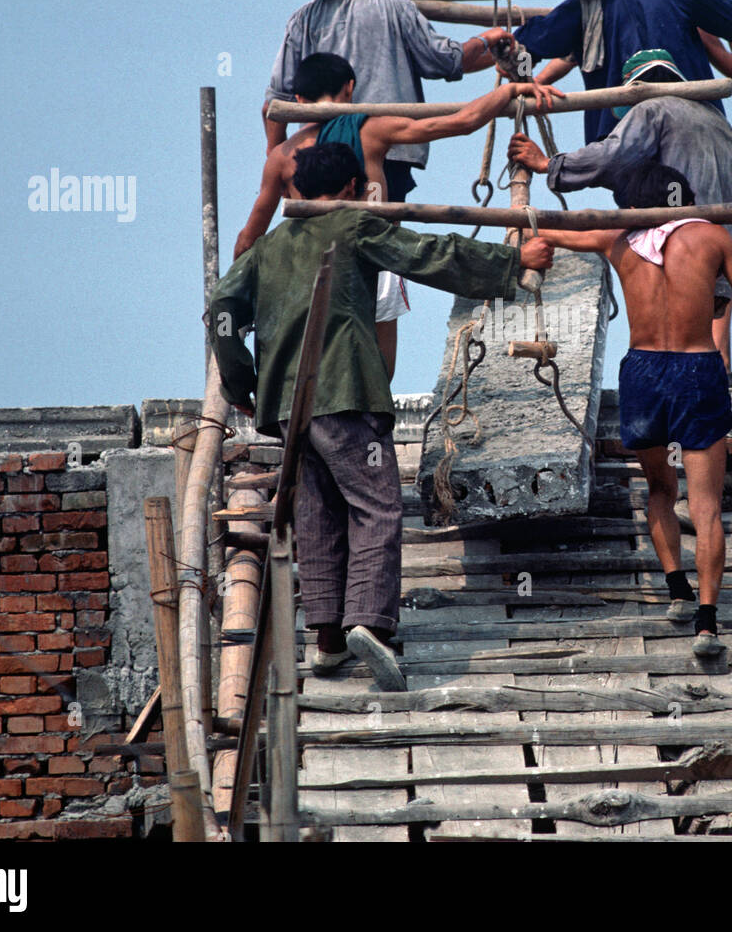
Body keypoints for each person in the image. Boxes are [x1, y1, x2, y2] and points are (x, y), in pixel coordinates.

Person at [209, 142, 555, 691]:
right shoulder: (352, 224)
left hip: (285, 407)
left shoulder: (270, 245)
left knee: (319, 512)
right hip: (343, 391)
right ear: (351, 187)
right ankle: (368, 622)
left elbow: (222, 306)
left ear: (298, 189)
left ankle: (325, 638)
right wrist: (513, 262)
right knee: (376, 505)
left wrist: (241, 383)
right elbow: (427, 252)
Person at [533, 161, 732, 657]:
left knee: (661, 489)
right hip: (697, 371)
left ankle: (676, 591)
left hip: (643, 372)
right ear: (684, 199)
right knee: (705, 503)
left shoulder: (617, 240)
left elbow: (560, 229)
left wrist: (530, 226)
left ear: (635, 205)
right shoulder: (712, 238)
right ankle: (707, 624)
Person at [236, 52, 561, 378]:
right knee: (378, 373)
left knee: (315, 366)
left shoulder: (281, 157)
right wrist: (509, 91)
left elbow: (249, 238)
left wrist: (236, 297)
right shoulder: (372, 130)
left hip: (308, 268)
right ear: (350, 88)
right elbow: (460, 122)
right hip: (378, 255)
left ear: (299, 99)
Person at [509, 48, 732, 376]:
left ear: (635, 88)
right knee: (708, 351)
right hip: (715, 252)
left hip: (670, 251)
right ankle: (719, 381)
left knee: (663, 346)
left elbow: (612, 156)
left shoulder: (653, 109)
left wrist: (550, 165)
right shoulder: (720, 123)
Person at [262, 0, 514, 199]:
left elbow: (275, 101)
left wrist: (278, 163)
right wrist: (484, 40)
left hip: (319, 158)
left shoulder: (303, 19)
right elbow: (444, 60)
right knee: (380, 232)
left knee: (326, 238)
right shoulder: (395, 5)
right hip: (385, 145)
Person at [513, 0, 732, 143]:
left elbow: (520, 48)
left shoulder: (585, 9)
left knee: (645, 189)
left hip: (625, 137)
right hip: (696, 125)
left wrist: (525, 83)